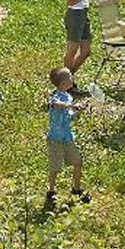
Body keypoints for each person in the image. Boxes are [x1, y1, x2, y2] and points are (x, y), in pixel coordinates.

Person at [45, 66, 91, 210]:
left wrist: (78, 110)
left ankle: (76, 188)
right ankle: (51, 191)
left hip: (68, 137)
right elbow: (55, 104)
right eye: (70, 76)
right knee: (55, 166)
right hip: (55, 138)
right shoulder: (55, 95)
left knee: (78, 161)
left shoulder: (69, 96)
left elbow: (69, 116)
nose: (73, 78)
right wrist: (70, 105)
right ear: (64, 82)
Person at [62, 0, 102, 87]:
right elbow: (71, 1)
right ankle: (66, 84)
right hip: (75, 15)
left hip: (84, 13)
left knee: (86, 51)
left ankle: (67, 78)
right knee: (72, 51)